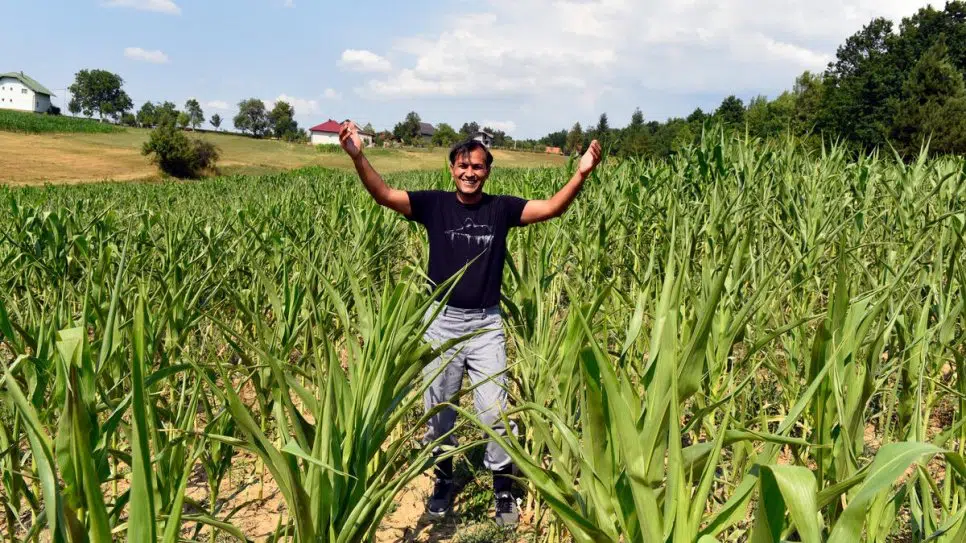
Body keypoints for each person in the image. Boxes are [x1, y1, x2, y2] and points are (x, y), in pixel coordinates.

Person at [338, 120, 602, 526]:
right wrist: (358, 156)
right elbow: (385, 195)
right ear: (451, 169)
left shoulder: (501, 209)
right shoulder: (433, 205)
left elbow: (551, 208)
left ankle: (502, 487)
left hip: (485, 325)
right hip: (441, 323)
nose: (469, 172)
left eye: (477, 167)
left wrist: (581, 173)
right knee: (438, 408)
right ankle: (444, 478)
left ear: (487, 171)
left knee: (494, 410)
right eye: (462, 166)